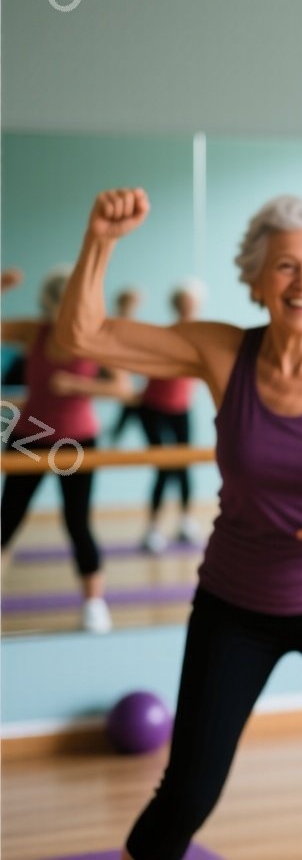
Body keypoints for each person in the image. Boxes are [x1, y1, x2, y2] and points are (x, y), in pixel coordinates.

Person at [58, 188, 302, 860]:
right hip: (235, 605)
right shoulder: (220, 352)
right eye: (285, 267)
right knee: (184, 796)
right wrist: (100, 239)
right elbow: (83, 336)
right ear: (255, 280)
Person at [1, 266, 133, 633]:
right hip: (29, 434)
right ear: (50, 305)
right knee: (6, 519)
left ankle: (94, 604)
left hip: (76, 440)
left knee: (77, 521)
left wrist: (76, 384)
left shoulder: (93, 339)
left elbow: (123, 389)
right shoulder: (34, 332)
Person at [139, 280, 207, 553]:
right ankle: (153, 528)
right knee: (163, 467)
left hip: (181, 408)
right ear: (175, 305)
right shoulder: (164, 335)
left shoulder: (203, 337)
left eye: (191, 303)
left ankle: (185, 521)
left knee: (184, 466)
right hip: (153, 407)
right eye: (182, 302)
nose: (187, 308)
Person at [107, 286, 148, 446]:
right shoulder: (112, 323)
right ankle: (117, 432)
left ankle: (117, 432)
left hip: (130, 373)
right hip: (113, 369)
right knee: (133, 402)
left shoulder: (137, 326)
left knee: (134, 402)